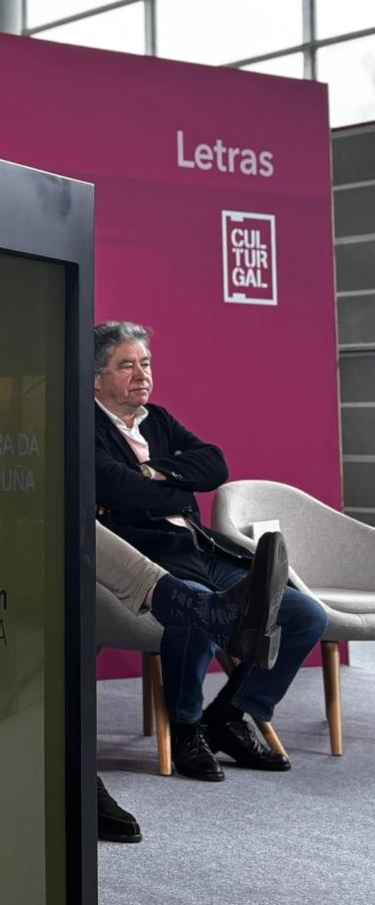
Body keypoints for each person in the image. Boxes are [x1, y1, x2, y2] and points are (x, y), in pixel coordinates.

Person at [93, 321, 326, 783]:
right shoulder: (85, 425)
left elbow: (215, 464)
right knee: (197, 609)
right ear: (97, 379)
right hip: (148, 553)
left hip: (201, 546)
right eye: (126, 365)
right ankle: (185, 730)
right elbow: (113, 487)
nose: (141, 374)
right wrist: (178, 483)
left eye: (146, 363)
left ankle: (229, 717)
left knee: (305, 615)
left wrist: (151, 473)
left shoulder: (158, 419)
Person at [93, 520, 288, 841]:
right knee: (70, 523)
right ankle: (204, 612)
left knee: (308, 616)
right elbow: (120, 493)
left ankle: (226, 715)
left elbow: (200, 483)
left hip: (193, 549)